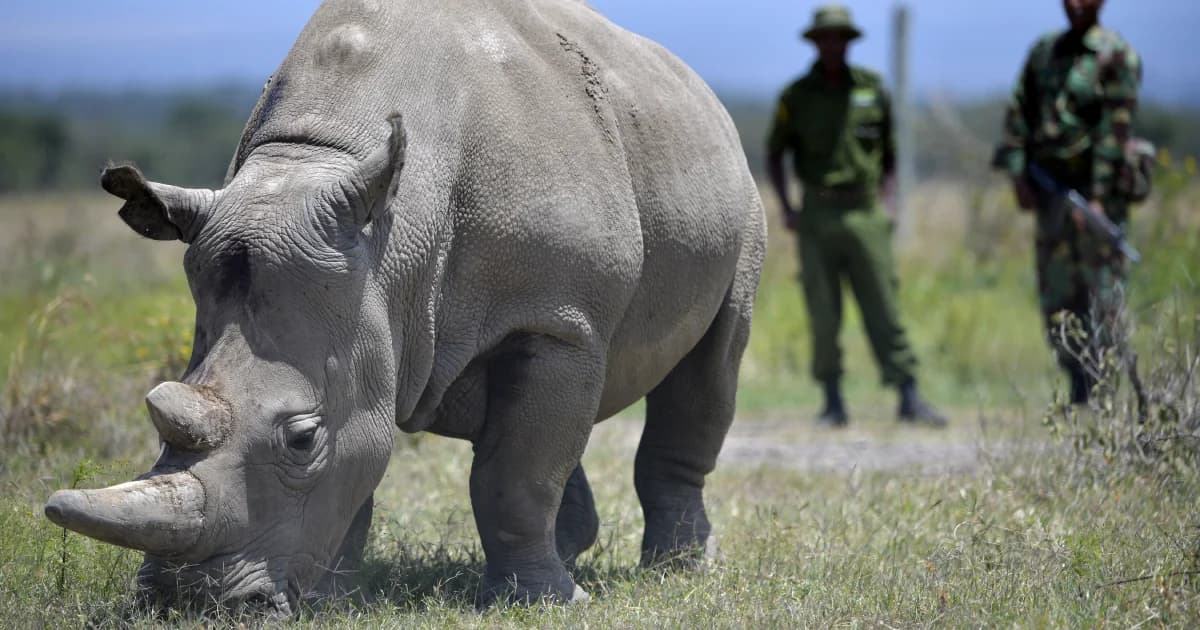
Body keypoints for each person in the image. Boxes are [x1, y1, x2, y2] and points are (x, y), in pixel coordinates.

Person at [766, 4, 945, 428]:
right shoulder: (796, 96)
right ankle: (832, 402)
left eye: (839, 38)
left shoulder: (872, 88)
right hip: (817, 214)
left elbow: (891, 153)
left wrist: (888, 201)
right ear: (816, 43)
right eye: (825, 38)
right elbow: (775, 153)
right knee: (823, 311)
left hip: (866, 212)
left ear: (849, 42)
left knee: (885, 306)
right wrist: (788, 207)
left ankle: (908, 395)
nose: (833, 45)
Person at [994, 0, 1143, 405]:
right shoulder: (1044, 51)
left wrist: (1096, 199)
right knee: (1057, 297)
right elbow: (1018, 113)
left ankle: (1109, 394)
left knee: (1105, 300)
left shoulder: (1117, 55)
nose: (1076, 4)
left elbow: (1116, 132)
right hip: (1049, 195)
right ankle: (1078, 388)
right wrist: (1017, 172)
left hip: (1098, 200)